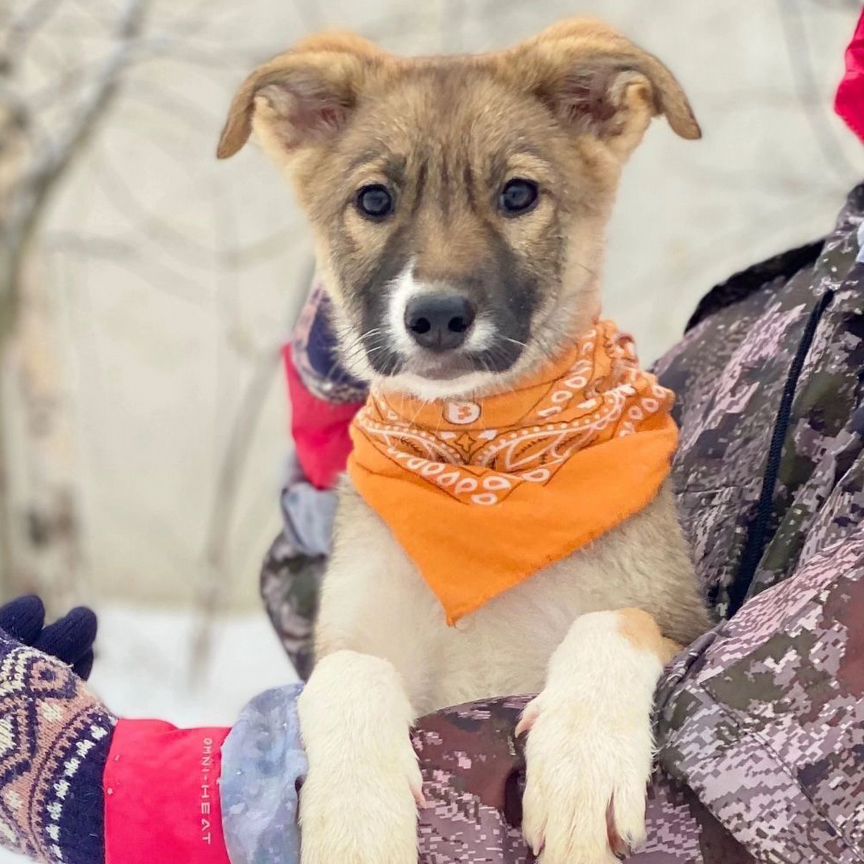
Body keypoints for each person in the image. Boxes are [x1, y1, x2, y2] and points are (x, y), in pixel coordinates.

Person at [0, 9, 862, 864]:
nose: (440, 281)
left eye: (516, 195)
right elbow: (375, 661)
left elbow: (754, 778)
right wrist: (330, 476)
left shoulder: (617, 444)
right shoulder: (759, 322)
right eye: (376, 201)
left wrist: (159, 799)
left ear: (603, 116)